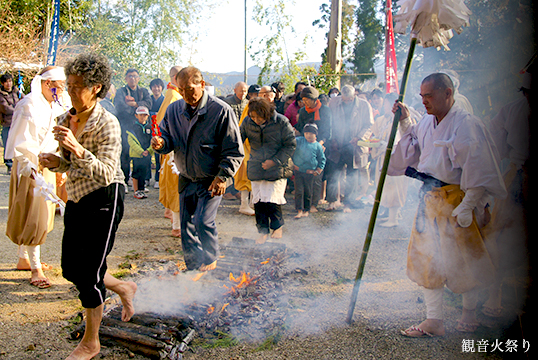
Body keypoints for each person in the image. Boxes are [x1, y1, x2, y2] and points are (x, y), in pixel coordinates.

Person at [388, 73, 506, 337]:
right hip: (429, 198)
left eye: (429, 96)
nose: (425, 101)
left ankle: (469, 312)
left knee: (464, 258)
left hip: (458, 198)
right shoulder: (428, 122)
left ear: (448, 93)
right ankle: (434, 320)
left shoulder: (467, 124)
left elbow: (478, 168)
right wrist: (406, 118)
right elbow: (415, 141)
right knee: (426, 258)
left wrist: (469, 206)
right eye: (422, 96)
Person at [39, 53, 137, 360]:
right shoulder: (66, 118)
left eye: (78, 85)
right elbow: (73, 163)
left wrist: (75, 147)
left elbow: (107, 171)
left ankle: (91, 343)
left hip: (106, 197)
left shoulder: (108, 123)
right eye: (68, 84)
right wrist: (58, 162)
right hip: (79, 195)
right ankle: (123, 287)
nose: (70, 90)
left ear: (96, 87)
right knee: (72, 268)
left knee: (91, 274)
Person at [151, 66, 244, 271]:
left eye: (190, 89)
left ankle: (210, 261)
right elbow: (168, 138)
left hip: (212, 179)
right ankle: (193, 268)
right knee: (186, 227)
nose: (185, 95)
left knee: (203, 221)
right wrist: (161, 144)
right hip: (186, 177)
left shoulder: (220, 111)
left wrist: (223, 177)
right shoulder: (174, 110)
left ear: (202, 85)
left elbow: (234, 150)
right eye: (181, 90)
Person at [5, 66, 66, 289]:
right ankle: (35, 266)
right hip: (30, 167)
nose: (61, 90)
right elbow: (21, 141)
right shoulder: (29, 105)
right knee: (34, 215)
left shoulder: (54, 105)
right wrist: (32, 169)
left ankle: (24, 258)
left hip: (49, 164)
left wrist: (61, 168)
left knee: (44, 215)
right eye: (59, 86)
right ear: (46, 83)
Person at [480, 67, 532, 318]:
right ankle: (495, 291)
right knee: (498, 235)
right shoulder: (513, 109)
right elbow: (494, 145)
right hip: (517, 175)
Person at [240, 97, 296, 244]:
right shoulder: (247, 122)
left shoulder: (281, 122)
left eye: (259, 116)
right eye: (253, 116)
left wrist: (274, 161)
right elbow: (238, 140)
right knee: (258, 201)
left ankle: (277, 227)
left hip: (278, 166)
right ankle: (263, 231)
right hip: (256, 165)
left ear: (267, 113)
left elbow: (290, 145)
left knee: (272, 199)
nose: (256, 119)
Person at [326, 84, 374, 212]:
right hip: (338, 144)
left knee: (352, 175)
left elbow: (369, 125)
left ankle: (348, 204)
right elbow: (329, 122)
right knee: (333, 173)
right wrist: (333, 139)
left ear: (354, 96)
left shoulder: (364, 105)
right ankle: (332, 201)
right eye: (345, 99)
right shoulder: (334, 102)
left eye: (350, 99)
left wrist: (359, 137)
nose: (347, 101)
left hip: (354, 145)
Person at [370, 93, 410, 227]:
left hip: (395, 158)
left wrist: (385, 144)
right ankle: (390, 215)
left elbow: (402, 140)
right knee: (384, 186)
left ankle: (394, 218)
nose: (386, 107)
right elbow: (376, 134)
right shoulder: (382, 119)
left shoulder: (400, 120)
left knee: (394, 187)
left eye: (388, 104)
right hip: (382, 156)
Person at [295, 86, 332, 212]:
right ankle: (304, 204)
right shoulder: (303, 111)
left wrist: (320, 142)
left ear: (314, 99)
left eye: (307, 100)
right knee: (305, 176)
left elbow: (327, 130)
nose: (305, 103)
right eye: (303, 100)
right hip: (305, 145)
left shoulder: (325, 110)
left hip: (321, 144)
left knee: (316, 177)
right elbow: (300, 127)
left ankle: (313, 204)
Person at [156, 65, 183, 237]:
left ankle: (172, 215)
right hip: (175, 149)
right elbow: (170, 123)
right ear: (175, 78)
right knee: (176, 186)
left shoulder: (175, 94)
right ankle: (177, 226)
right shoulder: (173, 95)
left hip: (175, 147)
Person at [114, 68, 152, 188]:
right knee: (125, 154)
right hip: (126, 126)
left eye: (135, 76)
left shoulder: (143, 91)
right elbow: (120, 106)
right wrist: (138, 109)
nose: (132, 79)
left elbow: (149, 103)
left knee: (142, 153)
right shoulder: (121, 91)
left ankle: (142, 181)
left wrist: (135, 104)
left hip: (141, 128)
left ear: (138, 78)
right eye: (130, 76)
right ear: (126, 78)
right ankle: (125, 180)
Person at [292, 123, 326, 219]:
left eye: (311, 133)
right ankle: (299, 210)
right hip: (298, 171)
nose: (308, 135)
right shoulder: (299, 141)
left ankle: (306, 210)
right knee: (298, 191)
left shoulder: (317, 146)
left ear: (315, 134)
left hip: (310, 173)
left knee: (308, 191)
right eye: (306, 133)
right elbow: (291, 142)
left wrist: (319, 170)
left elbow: (322, 159)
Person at [127, 106, 153, 199]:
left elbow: (153, 140)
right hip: (137, 154)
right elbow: (131, 142)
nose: (143, 117)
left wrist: (149, 150)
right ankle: (136, 190)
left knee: (144, 172)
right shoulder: (133, 128)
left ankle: (142, 189)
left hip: (147, 153)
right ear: (136, 116)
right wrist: (141, 151)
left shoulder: (150, 127)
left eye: (145, 115)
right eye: (140, 115)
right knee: (136, 172)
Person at [1, 73, 24, 174]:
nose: (8, 84)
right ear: (2, 83)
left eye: (10, 81)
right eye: (6, 82)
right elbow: (5, 108)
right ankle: (9, 165)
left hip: (19, 121)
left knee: (19, 143)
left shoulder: (16, 91)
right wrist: (18, 110)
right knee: (7, 144)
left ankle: (18, 163)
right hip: (7, 122)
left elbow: (25, 100)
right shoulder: (1, 95)